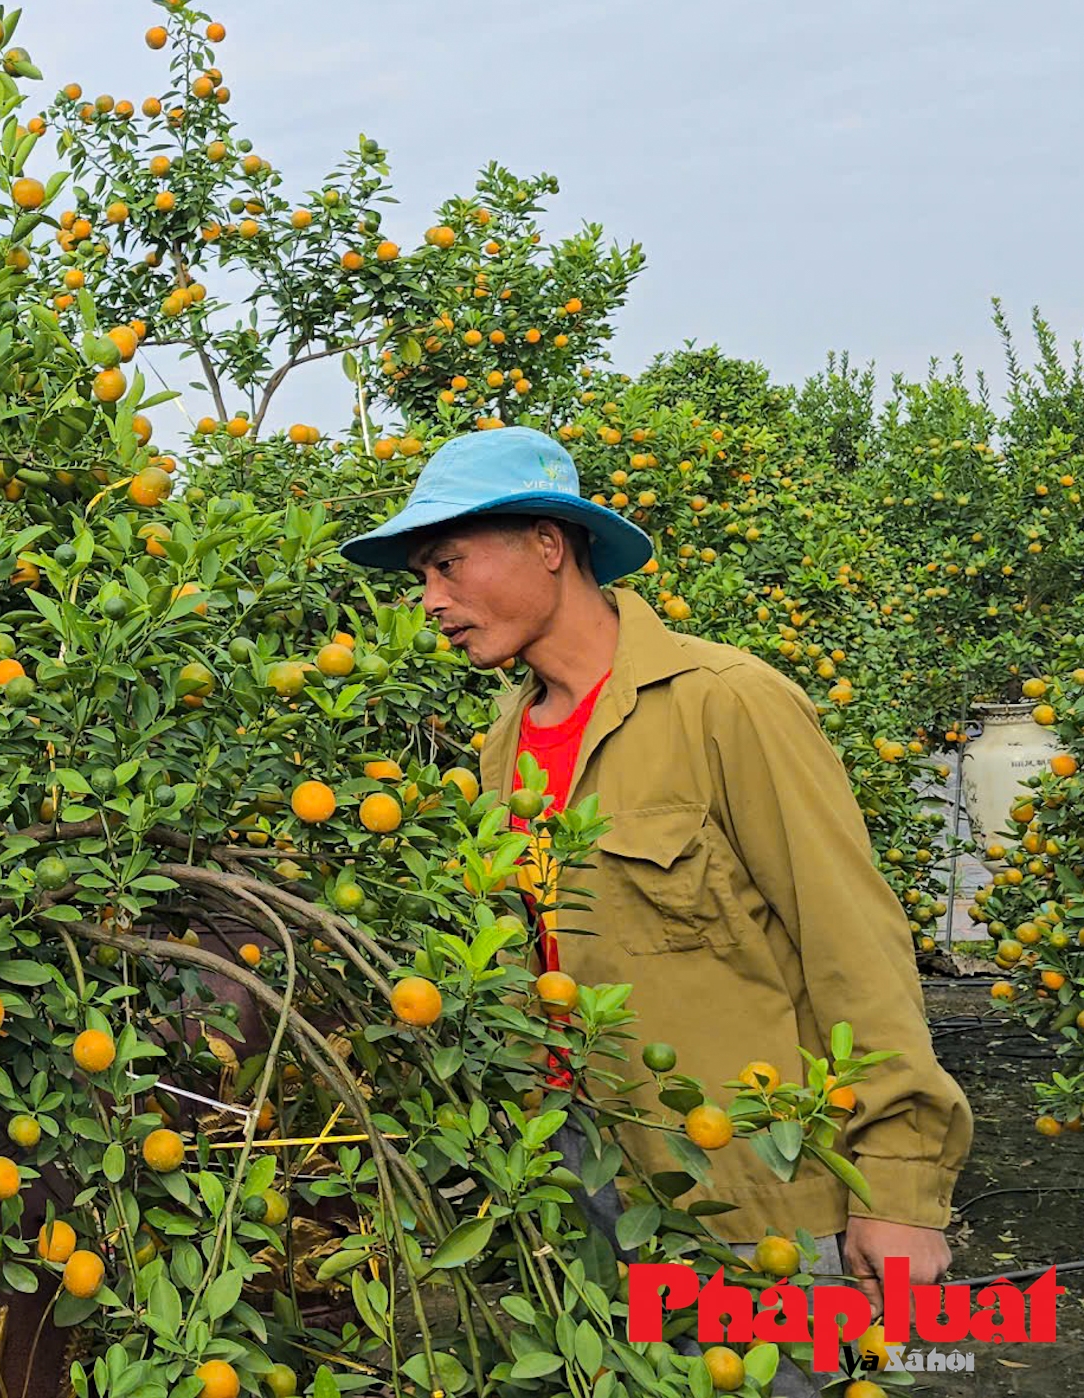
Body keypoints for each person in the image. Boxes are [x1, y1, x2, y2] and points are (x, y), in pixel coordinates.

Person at [339, 428, 969, 1307]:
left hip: (758, 1198)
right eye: (421, 579)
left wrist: (902, 1185)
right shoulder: (503, 745)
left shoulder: (727, 701)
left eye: (448, 564)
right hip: (595, 1180)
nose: (432, 600)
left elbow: (852, 945)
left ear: (549, 545)